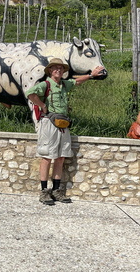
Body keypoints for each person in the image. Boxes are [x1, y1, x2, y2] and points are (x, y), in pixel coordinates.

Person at [27, 58, 105, 205]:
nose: (58, 70)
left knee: (60, 157)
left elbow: (77, 81)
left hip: (62, 124)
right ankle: (44, 191)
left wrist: (92, 75)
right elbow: (30, 94)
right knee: (46, 157)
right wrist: (42, 105)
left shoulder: (64, 84)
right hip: (49, 123)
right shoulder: (46, 84)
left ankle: (56, 190)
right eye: (55, 68)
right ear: (50, 70)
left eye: (61, 68)